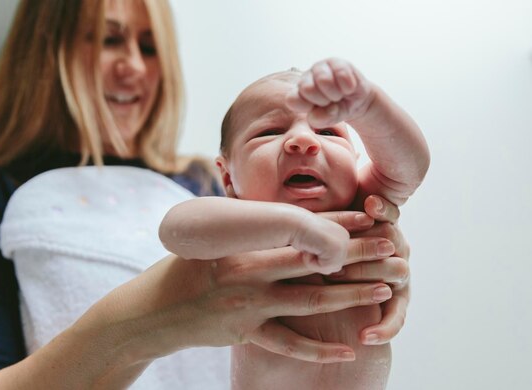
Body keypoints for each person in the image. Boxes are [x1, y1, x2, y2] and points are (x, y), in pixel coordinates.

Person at [0, 0, 411, 388]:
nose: (134, 68)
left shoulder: (204, 185)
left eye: (149, 48)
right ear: (46, 51)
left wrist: (372, 257)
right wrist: (147, 322)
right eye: (109, 41)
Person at [160, 58, 429, 389]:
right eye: (270, 131)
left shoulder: (363, 204)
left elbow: (410, 168)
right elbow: (176, 229)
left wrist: (368, 105)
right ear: (228, 177)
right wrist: (293, 226)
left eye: (328, 131)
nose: (303, 141)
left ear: (355, 162)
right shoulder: (239, 224)